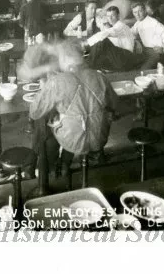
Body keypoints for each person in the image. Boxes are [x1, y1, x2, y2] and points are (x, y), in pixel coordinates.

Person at [28, 40, 118, 187]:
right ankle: (64, 163)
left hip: (72, 139)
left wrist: (44, 88)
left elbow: (35, 111)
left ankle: (46, 172)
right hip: (98, 137)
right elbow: (115, 105)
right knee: (74, 119)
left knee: (46, 128)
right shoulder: (100, 77)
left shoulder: (57, 81)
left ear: (64, 59)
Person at [85, 6, 146, 71]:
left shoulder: (121, 26)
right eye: (108, 16)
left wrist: (86, 43)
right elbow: (106, 30)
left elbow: (107, 33)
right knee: (98, 53)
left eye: (113, 15)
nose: (110, 18)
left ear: (118, 16)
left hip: (126, 58)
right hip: (119, 58)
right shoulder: (114, 27)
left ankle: (86, 67)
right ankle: (88, 67)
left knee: (103, 41)